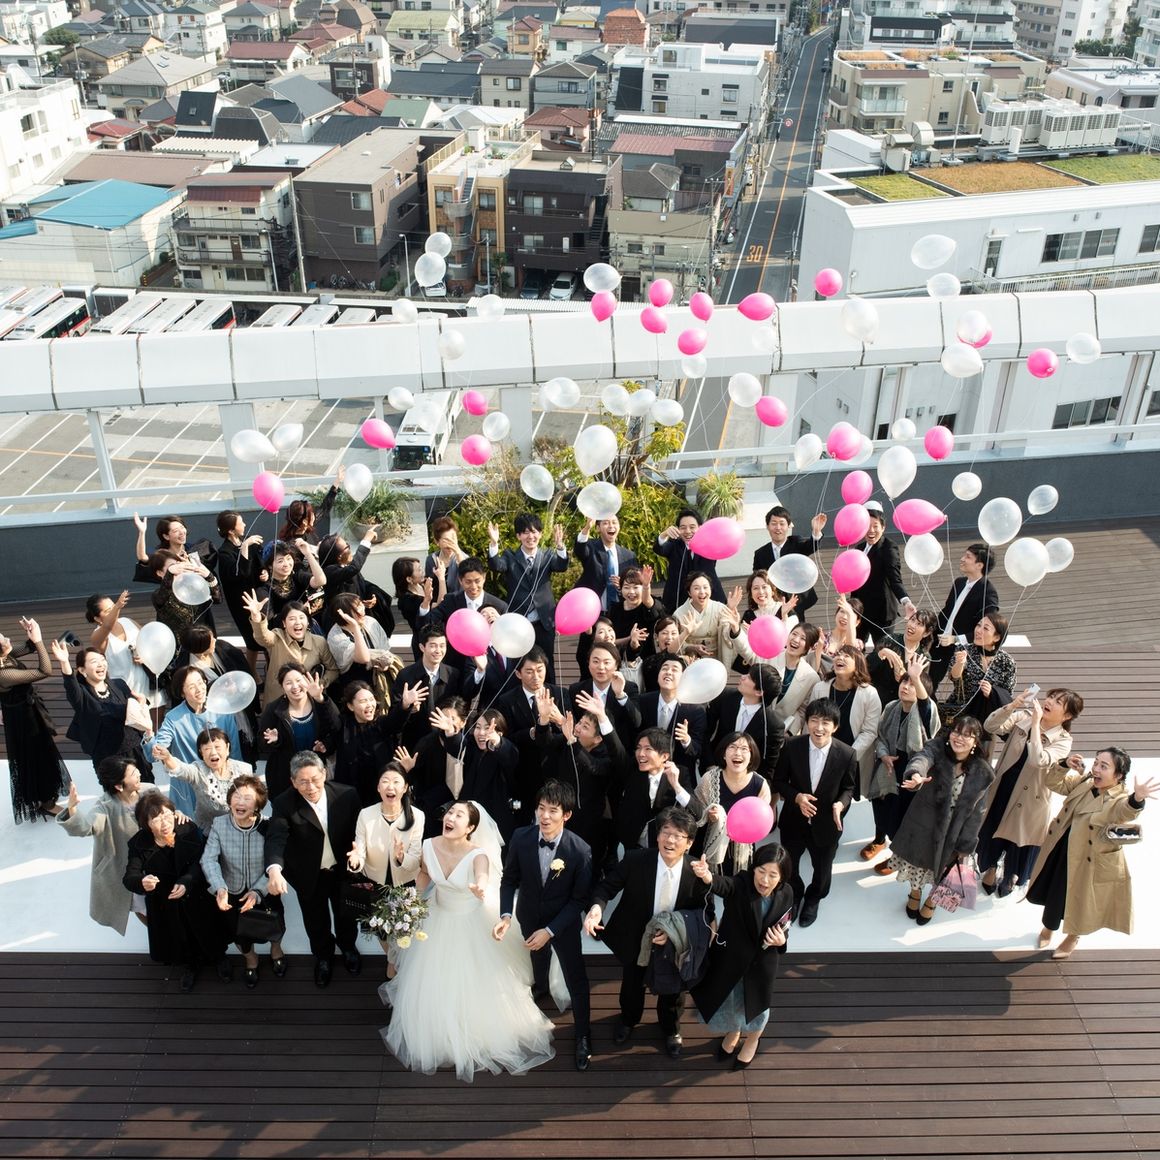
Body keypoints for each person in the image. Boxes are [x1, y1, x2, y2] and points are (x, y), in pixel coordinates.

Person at [380, 800, 557, 1081]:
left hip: (470, 920)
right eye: (449, 812)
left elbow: (483, 877)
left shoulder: (478, 855)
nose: (450, 817)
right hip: (438, 916)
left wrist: (480, 888)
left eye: (459, 815)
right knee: (433, 978)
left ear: (471, 827)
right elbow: (424, 873)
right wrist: (415, 901)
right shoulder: (429, 845)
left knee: (471, 979)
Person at [584, 806, 711, 1058]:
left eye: (678, 836)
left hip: (674, 944)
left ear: (689, 843)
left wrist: (675, 933)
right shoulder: (635, 860)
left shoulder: (697, 872)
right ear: (657, 835)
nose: (670, 840)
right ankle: (628, 1020)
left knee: (673, 992)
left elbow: (706, 913)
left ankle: (671, 1028)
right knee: (632, 984)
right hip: (636, 937)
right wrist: (596, 909)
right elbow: (606, 888)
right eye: (666, 832)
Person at [496, 780, 595, 1071]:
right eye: (541, 808)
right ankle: (541, 987)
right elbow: (509, 880)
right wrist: (505, 915)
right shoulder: (521, 837)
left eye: (553, 810)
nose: (545, 816)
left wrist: (550, 931)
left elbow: (579, 900)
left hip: (562, 924)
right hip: (528, 915)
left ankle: (583, 1035)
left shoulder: (580, 851)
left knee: (575, 977)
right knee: (537, 956)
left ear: (567, 815)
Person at [1026, 748, 1158, 960]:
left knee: (1082, 900)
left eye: (1104, 766)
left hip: (1089, 859)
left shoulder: (1118, 798)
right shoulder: (1086, 782)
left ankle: (1073, 937)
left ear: (1118, 775)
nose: (1096, 769)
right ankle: (1048, 927)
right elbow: (1053, 783)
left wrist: (1137, 799)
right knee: (1055, 892)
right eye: (1096, 763)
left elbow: (1124, 811)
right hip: (1063, 848)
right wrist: (1064, 765)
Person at [690, 843, 794, 1070]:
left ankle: (753, 1040)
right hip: (733, 960)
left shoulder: (787, 893)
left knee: (758, 1006)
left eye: (773, 875)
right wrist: (707, 876)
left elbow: (785, 924)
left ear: (782, 877)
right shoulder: (742, 883)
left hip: (762, 964)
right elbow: (724, 885)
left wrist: (782, 941)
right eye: (761, 871)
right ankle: (734, 1031)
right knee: (732, 1000)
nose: (764, 880)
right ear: (754, 868)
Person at [265, 752, 363, 987]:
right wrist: (274, 870)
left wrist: (359, 851)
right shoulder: (283, 803)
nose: (310, 787)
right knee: (315, 920)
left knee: (346, 916)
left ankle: (348, 947)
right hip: (308, 874)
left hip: (343, 871)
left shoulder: (347, 794)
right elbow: (276, 837)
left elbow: (360, 831)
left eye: (315, 779)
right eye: (303, 782)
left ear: (324, 774)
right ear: (293, 782)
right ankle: (323, 957)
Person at [888, 718, 994, 926]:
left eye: (967, 735)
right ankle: (915, 893)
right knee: (916, 863)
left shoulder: (983, 772)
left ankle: (932, 901)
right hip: (924, 821)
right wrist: (916, 775)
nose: (959, 738)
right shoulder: (937, 749)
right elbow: (922, 758)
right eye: (956, 732)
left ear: (975, 741)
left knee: (945, 870)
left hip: (954, 830)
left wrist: (966, 842)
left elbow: (978, 811)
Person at [978, 688, 1081, 898]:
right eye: (1051, 697)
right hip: (1004, 786)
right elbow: (990, 726)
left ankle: (1010, 874)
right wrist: (1012, 706)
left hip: (1030, 798)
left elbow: (1038, 760)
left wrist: (1035, 725)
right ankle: (991, 868)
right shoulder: (1023, 716)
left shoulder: (1063, 739)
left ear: (1067, 715)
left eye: (1058, 702)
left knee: (1017, 841)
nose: (1049, 701)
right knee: (994, 829)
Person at [123, 793, 225, 992]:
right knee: (180, 936)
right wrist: (142, 882)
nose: (165, 823)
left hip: (195, 892)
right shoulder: (138, 843)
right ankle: (190, 965)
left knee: (209, 930)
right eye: (156, 819)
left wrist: (187, 880)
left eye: (167, 815)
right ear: (145, 824)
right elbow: (129, 877)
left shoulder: (187, 829)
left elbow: (201, 860)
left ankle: (220, 959)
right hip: (165, 901)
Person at [772, 698, 859, 928]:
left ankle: (813, 898)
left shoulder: (847, 754)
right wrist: (797, 797)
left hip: (827, 823)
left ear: (835, 727)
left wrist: (840, 805)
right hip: (793, 820)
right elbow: (779, 781)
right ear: (807, 722)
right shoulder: (792, 746)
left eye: (826, 722)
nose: (819, 728)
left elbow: (849, 788)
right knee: (789, 864)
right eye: (814, 720)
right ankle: (795, 894)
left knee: (822, 868)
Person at [200, 774, 286, 988]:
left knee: (275, 924)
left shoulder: (269, 826)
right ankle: (251, 958)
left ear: (257, 804)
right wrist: (220, 888)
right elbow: (208, 859)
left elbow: (276, 861)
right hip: (232, 890)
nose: (240, 802)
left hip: (264, 889)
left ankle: (276, 950)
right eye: (236, 796)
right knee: (239, 932)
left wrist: (258, 891)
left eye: (247, 798)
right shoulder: (219, 824)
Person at [58, 756, 155, 935]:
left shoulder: (150, 791)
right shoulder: (104, 807)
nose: (139, 774)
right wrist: (72, 809)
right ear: (119, 786)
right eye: (133, 774)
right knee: (141, 906)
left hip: (155, 859)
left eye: (136, 770)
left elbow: (166, 812)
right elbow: (86, 827)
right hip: (129, 867)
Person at [863, 659, 940, 873]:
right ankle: (879, 840)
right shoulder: (891, 707)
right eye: (904, 682)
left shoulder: (926, 711)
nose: (905, 687)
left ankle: (896, 855)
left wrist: (916, 676)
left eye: (912, 684)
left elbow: (925, 706)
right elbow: (879, 736)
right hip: (887, 765)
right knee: (881, 804)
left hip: (912, 769)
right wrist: (883, 754)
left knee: (902, 815)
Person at [534, 700, 624, 866]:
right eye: (580, 722)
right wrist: (544, 719)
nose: (577, 728)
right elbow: (545, 742)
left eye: (585, 727)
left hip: (590, 823)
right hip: (560, 815)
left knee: (585, 866)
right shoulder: (568, 740)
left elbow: (594, 767)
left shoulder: (606, 756)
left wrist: (572, 740)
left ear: (598, 738)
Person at [0, 616, 70, 822]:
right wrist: (39, 640)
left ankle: (45, 795)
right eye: (4, 640)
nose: (8, 639)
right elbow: (44, 670)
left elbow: (29, 647)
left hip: (25, 711)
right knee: (34, 755)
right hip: (23, 720)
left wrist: (31, 633)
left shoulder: (6, 655)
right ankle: (45, 802)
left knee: (41, 751)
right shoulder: (3, 674)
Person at [53, 641, 153, 780]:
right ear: (82, 670)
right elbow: (71, 686)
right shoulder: (82, 694)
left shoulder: (119, 684)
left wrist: (141, 703)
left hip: (135, 750)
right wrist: (64, 662)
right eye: (94, 662)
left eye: (102, 660)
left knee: (146, 788)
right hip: (107, 757)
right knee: (117, 791)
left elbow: (134, 711)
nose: (101, 664)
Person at [487, 514, 569, 681]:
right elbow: (497, 565)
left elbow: (561, 566)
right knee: (518, 664)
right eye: (525, 532)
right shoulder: (510, 556)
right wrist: (494, 543)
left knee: (547, 663)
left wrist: (560, 546)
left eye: (534, 532)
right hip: (518, 622)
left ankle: (551, 694)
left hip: (544, 622)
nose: (531, 536)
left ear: (540, 534)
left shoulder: (547, 555)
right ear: (518, 536)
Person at [692, 733, 773, 873]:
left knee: (737, 883)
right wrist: (708, 815)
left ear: (752, 755)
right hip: (708, 847)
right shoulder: (709, 779)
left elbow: (762, 822)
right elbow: (696, 812)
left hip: (741, 853)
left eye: (744, 749)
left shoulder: (760, 785)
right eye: (732, 747)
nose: (738, 753)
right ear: (724, 754)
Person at [809, 645, 882, 799]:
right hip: (821, 755)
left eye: (846, 656)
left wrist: (847, 757)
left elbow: (869, 732)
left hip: (854, 757)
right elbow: (810, 722)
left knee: (846, 801)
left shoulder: (869, 693)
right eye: (838, 654)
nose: (839, 658)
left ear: (858, 664)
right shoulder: (820, 688)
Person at [258, 664, 341, 799]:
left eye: (298, 680)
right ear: (282, 687)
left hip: (317, 775)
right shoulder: (273, 709)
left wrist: (325, 745)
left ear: (307, 680)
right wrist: (275, 740)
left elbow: (337, 728)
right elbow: (262, 744)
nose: (295, 686)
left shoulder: (320, 702)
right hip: (285, 777)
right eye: (288, 683)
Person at [153, 727, 257, 833]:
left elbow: (254, 800)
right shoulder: (198, 770)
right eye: (207, 749)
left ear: (227, 748)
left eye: (217, 747)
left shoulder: (244, 769)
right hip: (208, 832)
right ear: (201, 752)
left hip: (241, 830)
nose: (213, 753)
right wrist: (167, 758)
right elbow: (181, 769)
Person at [245, 592, 339, 705]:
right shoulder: (277, 636)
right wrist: (256, 616)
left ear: (308, 622)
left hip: (308, 699)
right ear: (284, 623)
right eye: (292, 619)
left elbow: (333, 670)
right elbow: (262, 636)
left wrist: (320, 683)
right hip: (278, 698)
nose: (297, 622)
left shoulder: (319, 642)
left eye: (301, 618)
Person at [929, 543, 1001, 688]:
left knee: (961, 688)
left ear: (979, 565)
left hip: (963, 650)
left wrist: (955, 639)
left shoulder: (988, 593)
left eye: (968, 557)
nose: (962, 559)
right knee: (929, 681)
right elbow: (947, 611)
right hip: (940, 642)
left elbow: (987, 629)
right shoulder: (959, 583)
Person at [418, 556, 508, 671]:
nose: (473, 587)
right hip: (455, 665)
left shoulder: (499, 606)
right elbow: (427, 622)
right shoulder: (451, 601)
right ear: (460, 581)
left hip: (489, 667)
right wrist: (426, 602)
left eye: (477, 581)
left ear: (484, 578)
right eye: (468, 582)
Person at [614, 728, 697, 852]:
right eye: (638, 748)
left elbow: (697, 812)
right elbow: (616, 750)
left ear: (664, 756)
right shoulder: (632, 770)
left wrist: (676, 785)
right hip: (632, 843)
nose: (641, 753)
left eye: (648, 749)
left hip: (664, 847)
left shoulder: (680, 773)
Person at [348, 764, 425, 890]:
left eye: (396, 782)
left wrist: (401, 857)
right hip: (373, 884)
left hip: (405, 885)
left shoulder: (417, 816)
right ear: (378, 787)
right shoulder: (365, 814)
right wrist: (355, 861)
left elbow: (415, 862)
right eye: (385, 781)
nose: (390, 787)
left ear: (405, 787)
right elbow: (359, 852)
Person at [847, 501, 915, 644]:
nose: (871, 530)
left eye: (875, 526)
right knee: (854, 647)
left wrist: (906, 602)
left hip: (882, 613)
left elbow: (895, 579)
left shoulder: (888, 548)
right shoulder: (859, 548)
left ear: (883, 528)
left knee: (883, 651)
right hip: (860, 611)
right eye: (867, 526)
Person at [388, 625, 463, 752]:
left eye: (442, 645)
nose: (438, 650)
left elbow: (459, 707)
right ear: (422, 647)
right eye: (433, 645)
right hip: (414, 745)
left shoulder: (453, 675)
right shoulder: (406, 675)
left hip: (444, 744)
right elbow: (393, 719)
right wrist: (406, 707)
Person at [709, 663, 785, 780]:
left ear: (759, 692)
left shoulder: (773, 724)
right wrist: (709, 764)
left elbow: (768, 766)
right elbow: (706, 731)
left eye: (749, 677)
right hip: (715, 766)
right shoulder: (725, 697)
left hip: (747, 778)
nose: (743, 677)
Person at [637, 655, 704, 786]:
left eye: (674, 670)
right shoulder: (643, 701)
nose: (668, 672)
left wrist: (686, 740)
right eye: (664, 668)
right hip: (645, 774)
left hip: (679, 776)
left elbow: (697, 750)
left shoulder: (695, 710)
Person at [941, 612, 1017, 726]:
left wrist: (992, 693)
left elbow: (1007, 692)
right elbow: (954, 677)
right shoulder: (964, 649)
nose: (978, 630)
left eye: (985, 628)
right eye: (978, 625)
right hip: (961, 712)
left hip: (988, 717)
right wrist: (959, 663)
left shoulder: (1006, 661)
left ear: (997, 637)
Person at [751, 505, 826, 617]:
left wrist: (816, 531)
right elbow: (757, 578)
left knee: (797, 627)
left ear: (788, 526)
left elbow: (810, 546)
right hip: (773, 603)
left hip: (795, 601)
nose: (778, 527)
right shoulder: (760, 553)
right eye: (774, 523)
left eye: (782, 523)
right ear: (767, 526)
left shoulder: (796, 542)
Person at [214, 510, 265, 672]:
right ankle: (252, 671)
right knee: (251, 639)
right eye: (240, 522)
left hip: (258, 595)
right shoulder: (225, 552)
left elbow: (259, 564)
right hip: (241, 601)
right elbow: (239, 573)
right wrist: (244, 547)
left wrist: (264, 572)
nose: (244, 524)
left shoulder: (248, 543)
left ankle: (269, 667)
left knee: (265, 632)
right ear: (230, 530)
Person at [334, 681, 397, 805]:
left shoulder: (381, 724)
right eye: (363, 701)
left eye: (371, 699)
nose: (369, 704)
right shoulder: (344, 726)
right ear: (350, 706)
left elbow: (397, 720)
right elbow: (331, 718)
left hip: (379, 794)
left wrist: (405, 705)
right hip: (351, 795)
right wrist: (320, 699)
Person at [657, 508, 726, 611]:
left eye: (692, 527)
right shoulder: (674, 544)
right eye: (683, 527)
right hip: (678, 600)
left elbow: (721, 543)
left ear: (700, 527)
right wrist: (664, 534)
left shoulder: (708, 544)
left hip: (708, 597)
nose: (688, 531)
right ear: (677, 529)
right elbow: (660, 549)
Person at [868, 608, 937, 709]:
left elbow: (921, 687)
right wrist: (881, 653)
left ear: (926, 633)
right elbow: (866, 666)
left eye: (919, 624)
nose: (912, 625)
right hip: (875, 700)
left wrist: (904, 677)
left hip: (900, 707)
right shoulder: (889, 640)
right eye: (912, 620)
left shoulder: (924, 657)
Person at [673, 574, 744, 664]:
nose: (702, 592)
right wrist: (691, 647)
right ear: (689, 592)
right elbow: (674, 641)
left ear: (710, 589)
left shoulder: (719, 608)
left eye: (705, 587)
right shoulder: (680, 613)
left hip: (716, 658)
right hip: (690, 659)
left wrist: (730, 609)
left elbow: (727, 633)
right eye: (696, 588)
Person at [574, 516, 638, 611]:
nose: (611, 526)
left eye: (614, 522)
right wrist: (587, 528)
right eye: (606, 523)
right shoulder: (591, 547)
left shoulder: (629, 556)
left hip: (620, 612)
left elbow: (635, 585)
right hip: (591, 611)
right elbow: (580, 549)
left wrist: (622, 585)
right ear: (598, 528)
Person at [774, 624, 823, 731]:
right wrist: (737, 631)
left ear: (810, 647)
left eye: (803, 638)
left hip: (779, 731)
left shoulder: (812, 677)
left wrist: (789, 732)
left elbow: (803, 710)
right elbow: (748, 653)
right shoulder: (772, 655)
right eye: (794, 634)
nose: (796, 640)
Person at [392, 556, 432, 661]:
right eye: (419, 570)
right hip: (423, 642)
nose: (422, 571)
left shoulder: (422, 585)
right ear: (409, 579)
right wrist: (427, 599)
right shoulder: (407, 601)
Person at [639, 617, 686, 693]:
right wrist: (686, 633)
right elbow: (668, 654)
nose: (669, 637)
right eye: (664, 633)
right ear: (656, 637)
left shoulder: (685, 662)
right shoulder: (650, 662)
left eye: (673, 633)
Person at [425, 514, 467, 596]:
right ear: (437, 542)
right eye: (446, 540)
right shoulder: (431, 560)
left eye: (453, 538)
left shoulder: (464, 558)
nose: (451, 543)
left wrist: (458, 554)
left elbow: (468, 575)